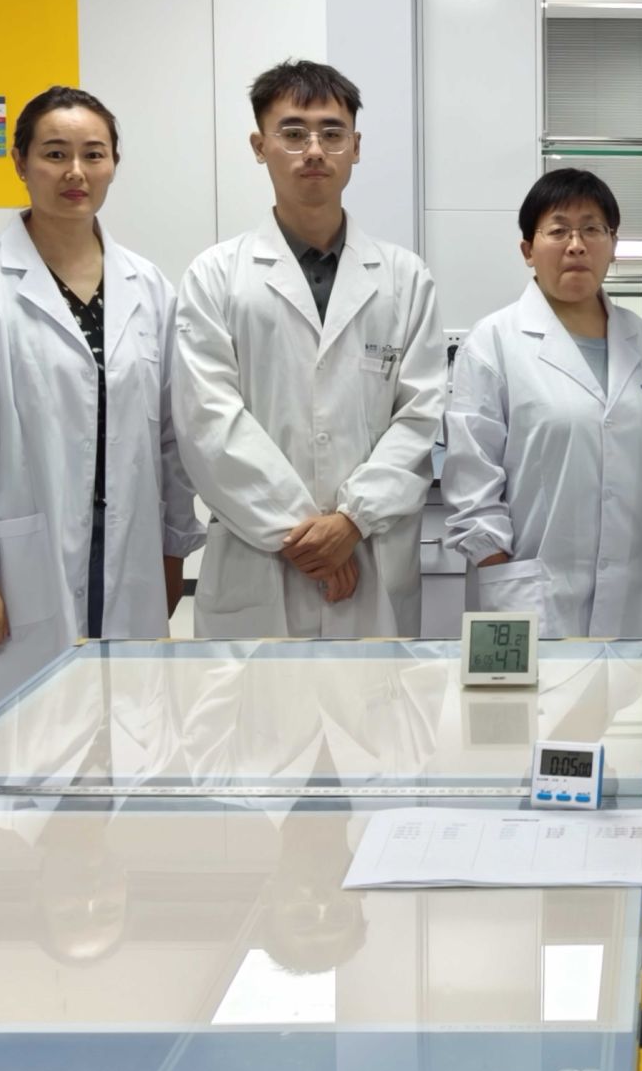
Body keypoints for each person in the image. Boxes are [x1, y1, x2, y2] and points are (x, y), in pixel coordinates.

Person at [0, 86, 203, 747]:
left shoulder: (148, 287)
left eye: (93, 154)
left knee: (122, 739)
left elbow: (169, 434)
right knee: (17, 753)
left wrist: (174, 544)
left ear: (114, 163)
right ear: (20, 162)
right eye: (55, 154)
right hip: (15, 560)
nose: (75, 173)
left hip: (125, 550)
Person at [173, 59, 441, 639]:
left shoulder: (405, 278)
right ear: (260, 146)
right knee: (261, 700)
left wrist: (351, 521)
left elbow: (420, 419)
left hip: (369, 556)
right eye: (293, 133)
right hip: (260, 559)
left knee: (372, 699)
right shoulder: (215, 276)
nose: (314, 150)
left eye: (331, 133)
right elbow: (207, 421)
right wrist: (307, 537)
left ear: (356, 147)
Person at [443, 169, 642, 639]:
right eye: (558, 230)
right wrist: (499, 569)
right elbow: (472, 480)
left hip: (634, 592)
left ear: (612, 244)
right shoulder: (493, 343)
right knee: (531, 691)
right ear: (528, 250)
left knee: (629, 690)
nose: (576, 245)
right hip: (527, 594)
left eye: (592, 229)